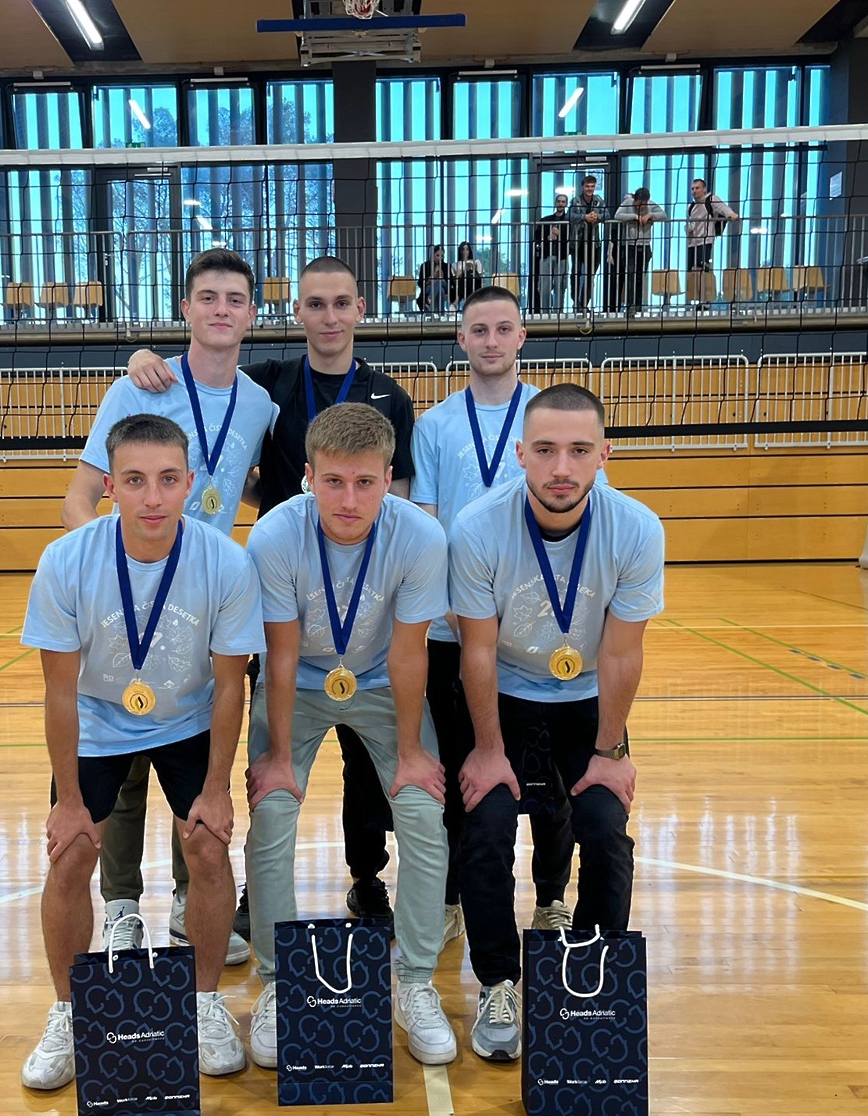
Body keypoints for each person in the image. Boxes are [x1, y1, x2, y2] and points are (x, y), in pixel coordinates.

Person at [125, 255, 418, 941]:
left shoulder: (389, 395)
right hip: (284, 587)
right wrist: (142, 358)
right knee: (272, 742)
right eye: (315, 304)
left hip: (365, 600)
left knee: (365, 759)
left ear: (361, 309)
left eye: (341, 303)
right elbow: (212, 400)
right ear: (296, 312)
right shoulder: (269, 385)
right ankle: (258, 892)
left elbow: (396, 493)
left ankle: (366, 877)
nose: (329, 316)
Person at [19, 413, 266, 1091]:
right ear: (109, 486)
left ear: (189, 483)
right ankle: (70, 1015)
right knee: (71, 852)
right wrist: (70, 802)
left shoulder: (226, 562)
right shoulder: (67, 561)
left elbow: (229, 687)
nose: (152, 497)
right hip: (98, 719)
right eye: (134, 480)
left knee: (208, 847)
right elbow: (59, 692)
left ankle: (205, 1004)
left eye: (166, 479)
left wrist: (216, 790)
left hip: (188, 718)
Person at [62, 248, 278, 966]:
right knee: (119, 755)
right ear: (185, 308)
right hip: (126, 599)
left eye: (235, 299)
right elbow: (80, 498)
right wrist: (99, 576)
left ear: (252, 313)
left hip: (202, 602)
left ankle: (192, 903)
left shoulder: (259, 403)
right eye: (207, 297)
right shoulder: (139, 386)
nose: (221, 309)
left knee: (194, 748)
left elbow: (237, 482)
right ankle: (122, 907)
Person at [448, 383, 664, 1063]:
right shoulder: (478, 528)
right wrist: (487, 749)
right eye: (545, 450)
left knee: (604, 827)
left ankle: (588, 982)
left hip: (589, 700)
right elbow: (477, 651)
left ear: (605, 454)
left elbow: (623, 653)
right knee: (484, 827)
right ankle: (498, 984)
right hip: (505, 693)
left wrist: (610, 753)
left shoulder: (636, 529)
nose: (561, 468)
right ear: (521, 454)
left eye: (577, 450)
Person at [243, 403, 457, 1068]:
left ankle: (414, 981)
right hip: (299, 682)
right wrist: (279, 758)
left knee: (422, 809)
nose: (349, 499)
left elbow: (410, 652)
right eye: (333, 482)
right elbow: (279, 657)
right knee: (272, 809)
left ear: (390, 478)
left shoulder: (420, 537)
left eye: (366, 483)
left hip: (381, 679)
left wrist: (413, 753)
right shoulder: (274, 537)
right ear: (307, 477)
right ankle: (280, 983)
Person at [410, 285, 589, 953]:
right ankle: (456, 896)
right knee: (467, 769)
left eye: (503, 328)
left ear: (522, 337)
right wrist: (462, 614)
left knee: (555, 778)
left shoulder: (552, 417)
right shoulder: (434, 426)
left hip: (543, 631)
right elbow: (428, 530)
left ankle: (551, 898)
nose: (490, 340)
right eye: (478, 329)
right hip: (456, 629)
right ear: (461, 339)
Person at [685, 178, 738, 307]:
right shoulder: (690, 206)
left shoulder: (711, 200)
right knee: (694, 272)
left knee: (702, 270)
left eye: (697, 188)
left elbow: (723, 208)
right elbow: (689, 223)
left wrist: (731, 214)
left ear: (704, 189)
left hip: (705, 241)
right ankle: (700, 299)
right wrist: (688, 230)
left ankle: (704, 301)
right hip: (692, 242)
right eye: (692, 188)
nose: (694, 191)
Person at [614, 187, 666, 316]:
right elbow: (617, 215)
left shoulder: (651, 205)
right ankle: (630, 306)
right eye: (639, 204)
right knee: (630, 276)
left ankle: (638, 306)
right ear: (634, 200)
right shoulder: (627, 203)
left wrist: (650, 215)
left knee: (640, 277)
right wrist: (634, 216)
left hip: (645, 246)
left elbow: (664, 215)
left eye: (644, 204)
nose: (642, 207)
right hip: (629, 246)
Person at [567, 175, 607, 311]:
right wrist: (584, 217)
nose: (590, 189)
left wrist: (597, 217)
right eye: (587, 186)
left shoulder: (598, 200)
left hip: (594, 243)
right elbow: (569, 216)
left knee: (590, 275)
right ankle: (576, 302)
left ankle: (584, 303)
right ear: (582, 187)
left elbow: (607, 215)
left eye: (592, 186)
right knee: (576, 273)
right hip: (578, 243)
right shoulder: (576, 200)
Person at [534, 198, 571, 312]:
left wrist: (560, 236)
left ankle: (558, 312)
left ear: (566, 204)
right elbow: (537, 237)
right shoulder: (545, 221)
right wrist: (548, 237)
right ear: (555, 203)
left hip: (562, 257)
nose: (560, 204)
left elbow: (571, 240)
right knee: (544, 286)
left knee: (560, 286)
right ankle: (545, 312)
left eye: (563, 202)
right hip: (546, 256)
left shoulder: (569, 222)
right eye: (559, 201)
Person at [450, 241, 483, 309]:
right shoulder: (455, 265)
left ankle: (456, 302)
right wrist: (464, 270)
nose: (465, 252)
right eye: (463, 249)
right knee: (463, 278)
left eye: (467, 249)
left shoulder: (476, 262)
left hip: (474, 284)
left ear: (469, 251)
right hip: (461, 285)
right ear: (460, 251)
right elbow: (455, 281)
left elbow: (480, 277)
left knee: (469, 274)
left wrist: (473, 269)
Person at [417, 244, 449, 313]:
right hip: (429, 287)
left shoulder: (446, 266)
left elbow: (449, 281)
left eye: (442, 256)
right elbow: (420, 282)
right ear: (433, 255)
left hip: (444, 285)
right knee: (441, 291)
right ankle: (441, 314)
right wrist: (431, 278)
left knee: (440, 281)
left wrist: (441, 276)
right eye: (437, 255)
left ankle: (429, 301)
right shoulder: (425, 266)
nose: (440, 258)